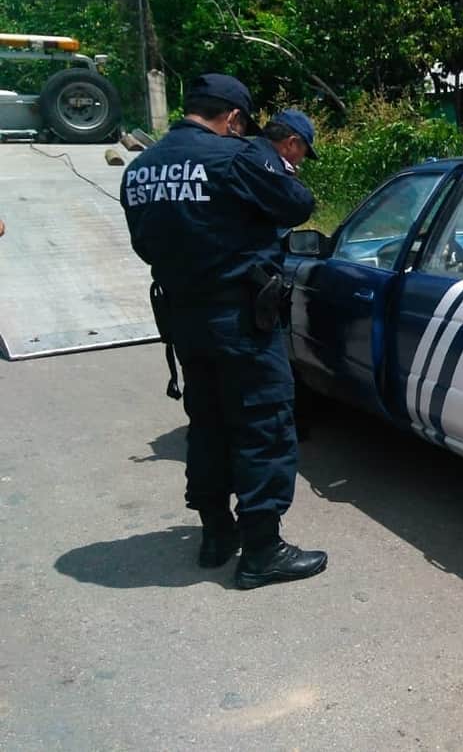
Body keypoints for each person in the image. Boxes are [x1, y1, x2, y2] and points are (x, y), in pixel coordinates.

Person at [121, 74, 327, 590]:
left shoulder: (141, 168)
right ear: (233, 118)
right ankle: (261, 551)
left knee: (208, 424)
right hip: (240, 320)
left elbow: (143, 245)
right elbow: (297, 204)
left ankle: (216, 535)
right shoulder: (235, 158)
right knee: (263, 425)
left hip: (185, 320)